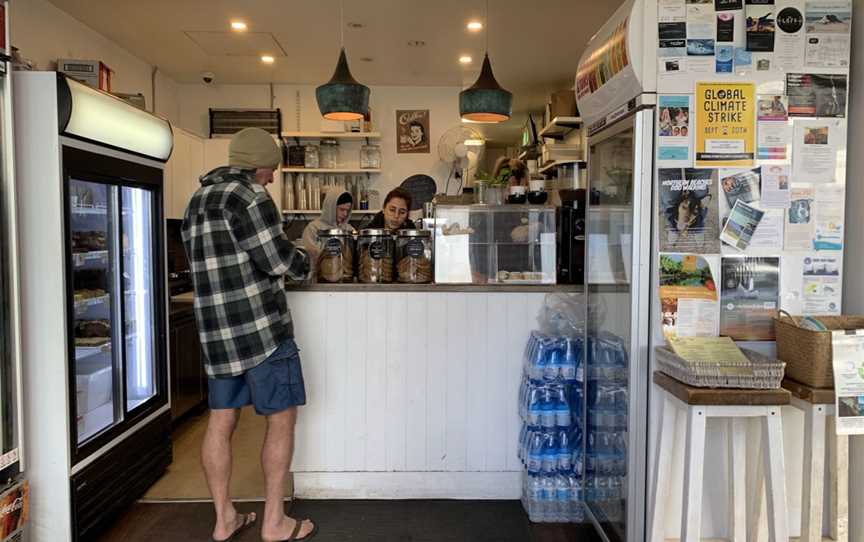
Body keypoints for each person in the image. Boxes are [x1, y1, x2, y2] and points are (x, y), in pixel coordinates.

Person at [182, 128, 318, 542]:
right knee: (281, 420)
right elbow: (278, 260)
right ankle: (275, 522)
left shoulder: (196, 201)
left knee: (220, 422)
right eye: (271, 169)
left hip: (217, 335)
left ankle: (224, 519)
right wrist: (308, 259)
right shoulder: (249, 197)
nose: (272, 178)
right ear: (258, 166)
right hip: (260, 332)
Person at [301, 189, 356, 261]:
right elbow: (310, 256)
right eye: (342, 209)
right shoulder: (313, 228)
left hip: (346, 272)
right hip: (320, 271)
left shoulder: (349, 229)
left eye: (347, 210)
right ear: (330, 208)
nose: (345, 214)